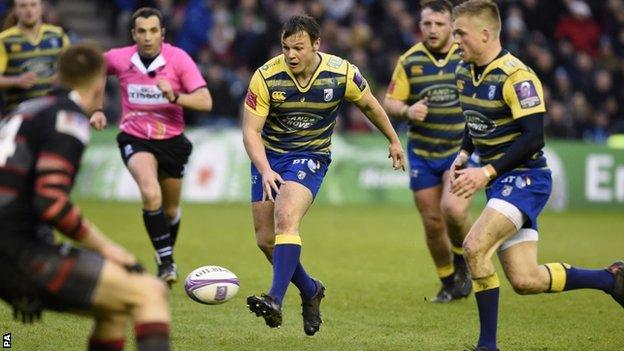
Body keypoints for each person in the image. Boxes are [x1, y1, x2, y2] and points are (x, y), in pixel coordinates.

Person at [449, 1, 624, 350]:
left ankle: (487, 346)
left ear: (485, 34)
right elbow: (475, 119)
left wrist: (486, 170)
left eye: (460, 33)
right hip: (501, 182)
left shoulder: (517, 76)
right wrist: (465, 152)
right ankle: (611, 279)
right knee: (525, 279)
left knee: (473, 247)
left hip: (526, 179)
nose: (455, 42)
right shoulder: (463, 72)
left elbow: (534, 137)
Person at [0, 44, 172, 351]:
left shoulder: (25, 111)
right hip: (19, 251)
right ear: (98, 84)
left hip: (12, 251)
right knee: (149, 292)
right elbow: (51, 201)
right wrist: (111, 249)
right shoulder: (68, 119)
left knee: (114, 307)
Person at [243, 15, 405, 335]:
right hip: (270, 157)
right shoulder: (265, 76)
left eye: (298, 48)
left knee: (286, 216)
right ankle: (310, 289)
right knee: (265, 241)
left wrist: (394, 138)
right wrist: (264, 169)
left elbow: (370, 105)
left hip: (310, 156)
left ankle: (275, 298)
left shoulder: (342, 73)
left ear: (317, 44)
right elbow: (250, 131)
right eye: (286, 47)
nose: (290, 55)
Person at [90, 7, 213, 285]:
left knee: (170, 210)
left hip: (171, 141)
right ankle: (167, 263)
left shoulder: (178, 59)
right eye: (142, 31)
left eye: (153, 31)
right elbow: (96, 68)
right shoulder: (120, 58)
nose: (147, 37)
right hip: (135, 137)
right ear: (133, 34)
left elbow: (205, 102)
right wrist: (96, 108)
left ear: (162, 33)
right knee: (149, 191)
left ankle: (163, 257)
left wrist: (175, 97)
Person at [383, 0, 472, 303]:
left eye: (439, 24)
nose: (432, 30)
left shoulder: (467, 56)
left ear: (451, 26)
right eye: (427, 24)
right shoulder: (410, 60)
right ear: (420, 26)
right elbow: (389, 102)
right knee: (433, 223)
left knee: (454, 209)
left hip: (458, 150)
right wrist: (408, 110)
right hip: (422, 152)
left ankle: (462, 260)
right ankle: (449, 282)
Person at [0, 0, 69, 113]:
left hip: (53, 110)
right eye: (23, 6)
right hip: (19, 113)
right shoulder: (4, 40)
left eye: (33, 4)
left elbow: (73, 70)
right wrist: (16, 81)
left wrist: (62, 76)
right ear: (15, 10)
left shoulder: (58, 36)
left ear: (41, 8)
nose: (29, 10)